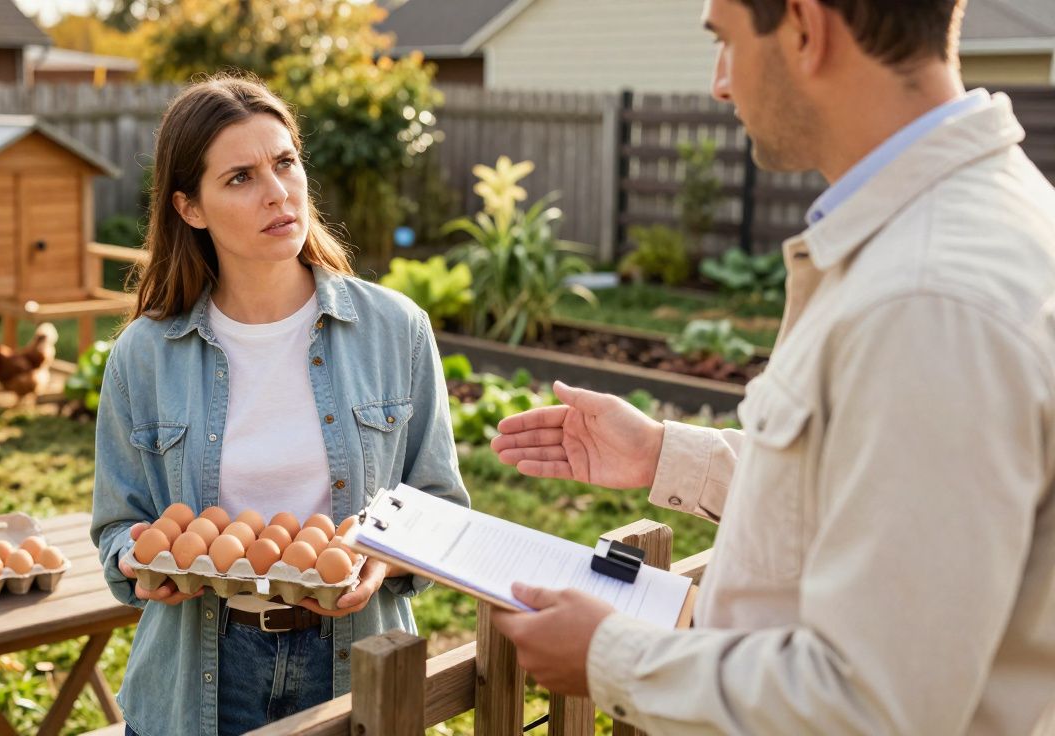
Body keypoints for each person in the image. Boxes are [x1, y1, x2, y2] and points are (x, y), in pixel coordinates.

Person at [489, 0, 1055, 733]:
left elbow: (871, 706)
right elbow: (870, 483)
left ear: (804, 27)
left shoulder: (926, 296)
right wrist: (663, 454)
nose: (720, 84)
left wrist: (610, 658)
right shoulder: (973, 228)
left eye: (725, 41)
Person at [90, 75, 468, 736]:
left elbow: (439, 507)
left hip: (354, 660)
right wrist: (135, 558)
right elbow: (118, 524)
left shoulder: (395, 331)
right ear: (190, 208)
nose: (277, 192)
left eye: (285, 162)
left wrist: (381, 558)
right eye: (240, 177)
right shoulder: (143, 356)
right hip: (198, 674)